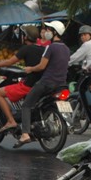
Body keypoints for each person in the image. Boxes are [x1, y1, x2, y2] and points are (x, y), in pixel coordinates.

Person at [15, 20, 70, 148]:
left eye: (49, 30)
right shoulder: (66, 49)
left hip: (47, 83)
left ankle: (25, 134)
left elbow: (41, 66)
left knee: (27, 105)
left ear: (55, 32)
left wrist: (30, 69)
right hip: (61, 84)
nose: (46, 32)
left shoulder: (50, 47)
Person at [0, 25, 45, 133]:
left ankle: (10, 121)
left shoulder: (26, 49)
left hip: (29, 85)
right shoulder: (44, 49)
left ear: (25, 37)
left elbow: (10, 62)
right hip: (41, 84)